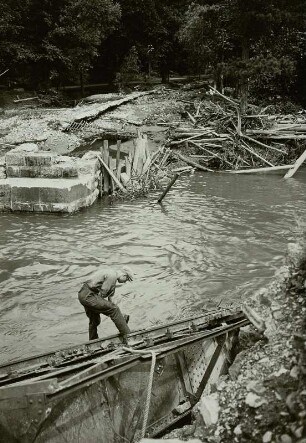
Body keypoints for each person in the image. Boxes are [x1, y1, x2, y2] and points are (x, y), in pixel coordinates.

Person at [78, 266, 133, 343]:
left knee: (95, 320)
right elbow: (102, 295)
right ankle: (129, 336)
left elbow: (110, 299)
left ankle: (93, 341)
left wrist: (118, 315)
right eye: (127, 279)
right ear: (124, 275)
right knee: (114, 309)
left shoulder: (112, 275)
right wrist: (115, 313)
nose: (125, 282)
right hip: (89, 295)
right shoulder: (112, 276)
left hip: (83, 294)